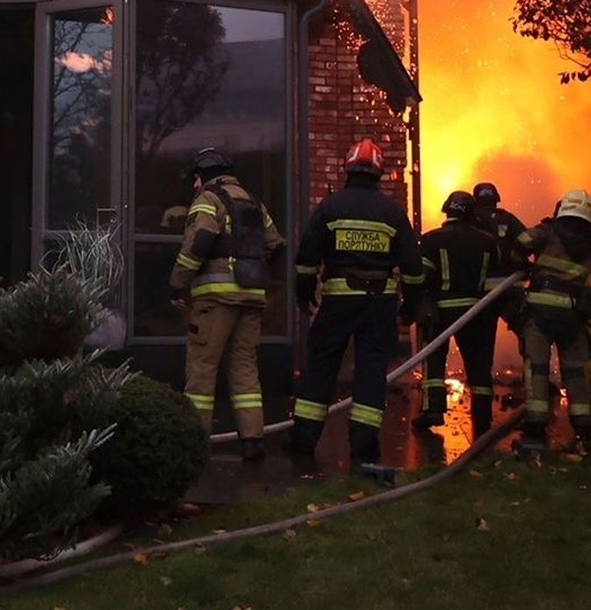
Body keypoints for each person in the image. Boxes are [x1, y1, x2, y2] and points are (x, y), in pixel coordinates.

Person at [286, 138, 424, 466]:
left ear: (348, 168)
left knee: (321, 368)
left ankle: (304, 441)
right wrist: (410, 307)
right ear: (379, 171)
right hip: (380, 305)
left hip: (338, 303)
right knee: (371, 373)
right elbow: (413, 267)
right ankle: (364, 449)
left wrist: (304, 292)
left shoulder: (331, 207)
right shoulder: (392, 212)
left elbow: (307, 257)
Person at [168, 147, 283, 461]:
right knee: (244, 367)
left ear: (201, 175)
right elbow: (275, 245)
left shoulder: (208, 199)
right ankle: (253, 440)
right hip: (252, 298)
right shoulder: (255, 202)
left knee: (202, 369)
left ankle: (194, 444)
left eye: (195, 179)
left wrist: (177, 282)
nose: (194, 186)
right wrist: (253, 269)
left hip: (215, 301)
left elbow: (199, 243)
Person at [413, 190, 499, 437]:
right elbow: (496, 279)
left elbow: (421, 278)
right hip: (476, 313)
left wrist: (421, 303)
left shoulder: (430, 240)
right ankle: (482, 416)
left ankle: (433, 410)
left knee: (434, 359)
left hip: (440, 312)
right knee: (479, 365)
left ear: (446, 211)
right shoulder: (488, 242)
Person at [513, 189, 591, 452]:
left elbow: (521, 241)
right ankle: (584, 428)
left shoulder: (548, 231)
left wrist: (522, 265)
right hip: (573, 316)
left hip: (540, 312)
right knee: (576, 370)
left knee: (537, 367)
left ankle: (535, 428)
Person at [471, 180, 527, 349]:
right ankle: (531, 364)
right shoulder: (508, 218)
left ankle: (483, 367)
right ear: (496, 199)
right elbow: (527, 241)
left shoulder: (472, 220)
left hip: (481, 291)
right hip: (511, 286)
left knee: (483, 339)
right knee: (526, 333)